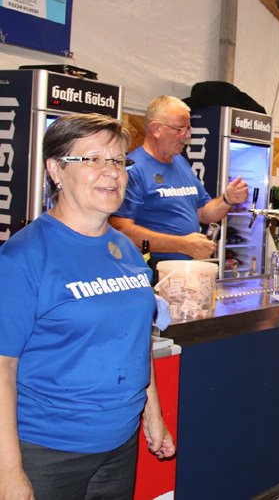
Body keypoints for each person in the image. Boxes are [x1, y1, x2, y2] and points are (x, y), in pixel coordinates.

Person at [0, 114, 175, 499]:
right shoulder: (23, 258)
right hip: (47, 451)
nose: (111, 171)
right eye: (93, 159)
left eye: (118, 160)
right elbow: (2, 368)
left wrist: (153, 414)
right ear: (55, 170)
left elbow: (136, 341)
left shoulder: (127, 250)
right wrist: (8, 471)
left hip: (120, 443)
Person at [111, 95, 249, 261]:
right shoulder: (132, 169)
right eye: (179, 129)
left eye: (188, 129)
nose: (186, 135)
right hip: (151, 268)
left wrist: (227, 199)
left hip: (185, 268)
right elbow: (121, 230)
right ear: (156, 129)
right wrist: (182, 245)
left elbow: (204, 213)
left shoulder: (180, 162)